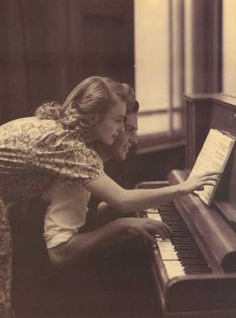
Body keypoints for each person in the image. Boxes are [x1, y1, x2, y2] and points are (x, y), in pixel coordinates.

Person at [0, 76, 217, 316]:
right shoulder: (70, 148)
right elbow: (122, 200)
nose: (121, 130)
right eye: (119, 121)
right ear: (94, 117)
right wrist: (182, 188)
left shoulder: (61, 130)